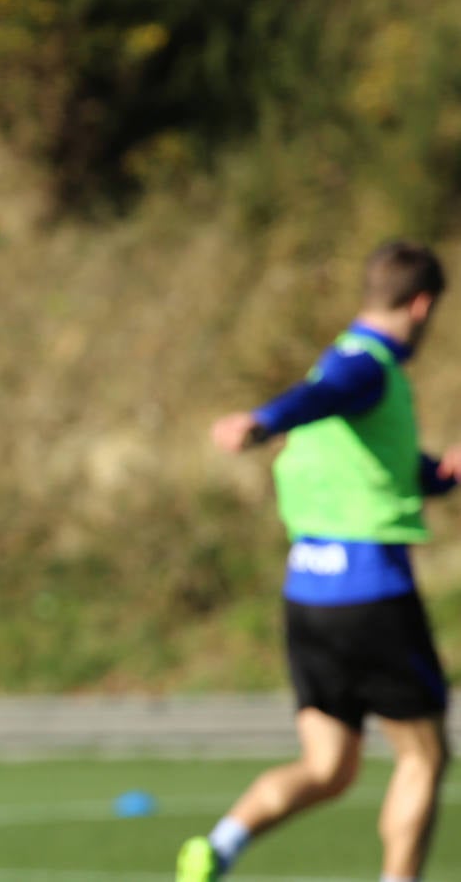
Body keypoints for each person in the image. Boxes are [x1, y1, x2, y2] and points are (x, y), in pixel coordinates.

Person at [179, 240, 459, 882]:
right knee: (423, 755)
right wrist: (262, 421)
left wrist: (441, 474)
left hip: (309, 594)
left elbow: (369, 449)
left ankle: (218, 847)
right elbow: (321, 397)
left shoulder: (336, 362)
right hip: (372, 592)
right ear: (421, 304)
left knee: (329, 766)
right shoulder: (367, 367)